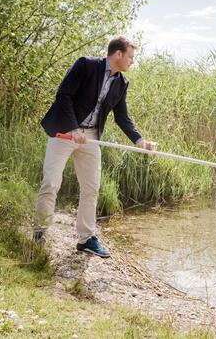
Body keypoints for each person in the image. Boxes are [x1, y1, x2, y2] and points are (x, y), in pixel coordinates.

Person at [33, 36, 156, 258]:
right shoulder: (86, 65)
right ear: (118, 54)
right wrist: (73, 129)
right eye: (131, 57)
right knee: (51, 183)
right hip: (64, 132)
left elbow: (122, 117)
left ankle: (86, 238)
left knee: (91, 188)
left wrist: (140, 141)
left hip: (91, 139)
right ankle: (40, 232)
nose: (132, 62)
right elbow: (63, 96)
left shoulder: (122, 83)